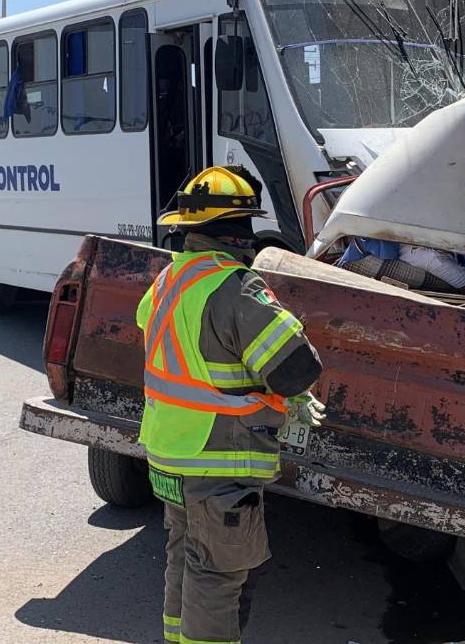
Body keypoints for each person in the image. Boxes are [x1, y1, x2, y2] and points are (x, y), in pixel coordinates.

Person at [139, 165, 325, 644]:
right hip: (217, 460)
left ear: (185, 229)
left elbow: (186, 354)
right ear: (241, 230)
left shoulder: (166, 283)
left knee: (185, 560)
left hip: (169, 452)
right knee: (217, 578)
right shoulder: (236, 288)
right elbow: (296, 368)